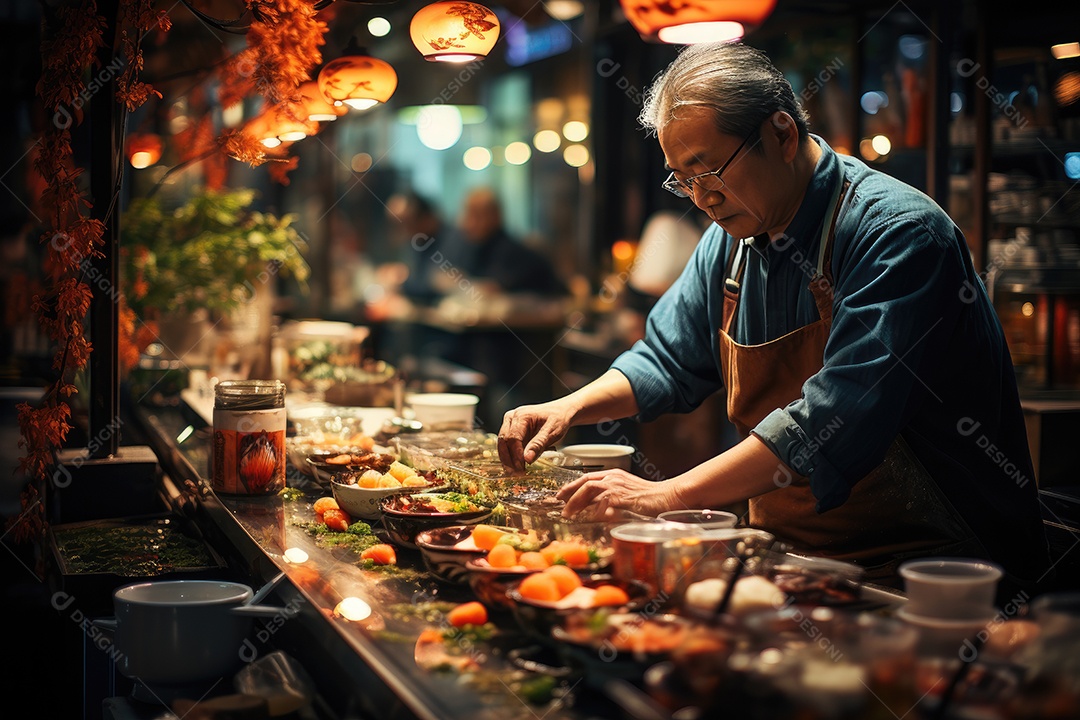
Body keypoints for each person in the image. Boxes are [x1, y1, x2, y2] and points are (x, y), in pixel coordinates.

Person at [497, 41, 1052, 594]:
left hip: (941, 574)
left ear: (782, 135)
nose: (702, 199)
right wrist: (568, 406)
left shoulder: (899, 234)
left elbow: (832, 422)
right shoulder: (730, 242)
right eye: (682, 179)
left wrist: (665, 495)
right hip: (802, 564)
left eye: (708, 170)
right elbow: (666, 358)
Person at [438, 187, 567, 297]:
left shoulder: (513, 253)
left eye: (476, 216)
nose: (467, 223)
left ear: (496, 216)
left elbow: (493, 291)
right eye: (467, 215)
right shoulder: (472, 248)